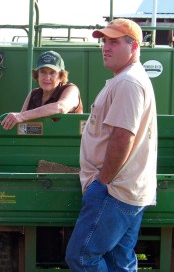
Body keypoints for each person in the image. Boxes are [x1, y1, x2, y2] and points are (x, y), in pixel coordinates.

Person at [65, 18, 158, 272]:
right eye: (104, 41)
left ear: (134, 46)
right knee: (120, 261)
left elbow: (123, 137)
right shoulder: (127, 78)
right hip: (127, 190)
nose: (106, 47)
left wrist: (102, 182)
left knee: (82, 257)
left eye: (114, 42)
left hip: (114, 191)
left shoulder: (128, 82)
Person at [1, 50, 83, 130]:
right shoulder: (33, 94)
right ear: (37, 75)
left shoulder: (71, 89)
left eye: (52, 73)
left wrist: (21, 116)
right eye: (43, 72)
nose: (47, 77)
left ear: (61, 76)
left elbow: (61, 107)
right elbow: (20, 125)